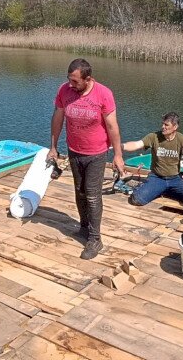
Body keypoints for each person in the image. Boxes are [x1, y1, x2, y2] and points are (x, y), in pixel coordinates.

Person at [48, 58, 125, 260]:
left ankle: (95, 238)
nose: (71, 84)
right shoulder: (64, 91)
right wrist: (53, 147)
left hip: (96, 154)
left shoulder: (103, 93)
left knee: (92, 195)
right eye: (69, 79)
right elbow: (57, 118)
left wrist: (118, 155)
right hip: (74, 151)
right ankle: (84, 227)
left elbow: (112, 126)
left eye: (75, 81)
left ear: (88, 79)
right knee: (79, 192)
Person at [122, 112, 183, 206]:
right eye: (163, 124)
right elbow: (136, 144)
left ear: (175, 127)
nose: (163, 127)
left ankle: (163, 190)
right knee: (137, 200)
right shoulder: (154, 137)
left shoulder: (182, 140)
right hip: (157, 177)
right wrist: (121, 146)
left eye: (166, 125)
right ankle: (157, 189)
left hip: (175, 178)